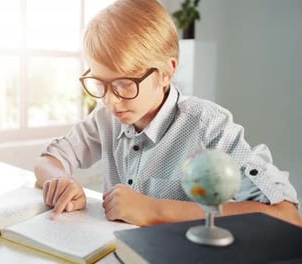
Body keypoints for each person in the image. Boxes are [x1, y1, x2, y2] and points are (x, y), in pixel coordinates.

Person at [34, 0, 301, 227]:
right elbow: (49, 160)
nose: (110, 100)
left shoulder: (208, 128)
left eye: (124, 84)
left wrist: (154, 211)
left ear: (166, 72)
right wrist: (61, 181)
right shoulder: (106, 119)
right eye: (100, 83)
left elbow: (287, 216)